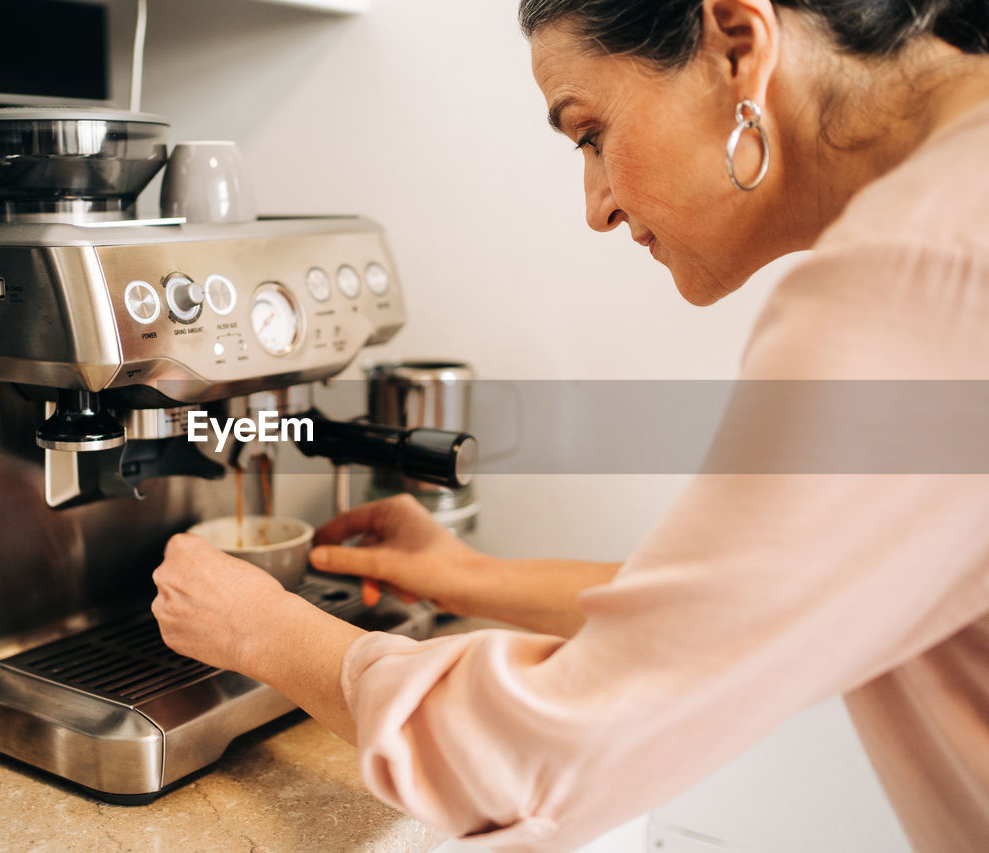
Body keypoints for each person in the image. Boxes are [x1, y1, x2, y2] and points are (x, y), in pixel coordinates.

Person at [151, 1, 989, 849]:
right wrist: (468, 577)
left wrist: (266, 629)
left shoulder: (916, 276)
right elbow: (736, 607)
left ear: (738, 43)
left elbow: (526, 756)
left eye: (590, 135)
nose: (597, 206)